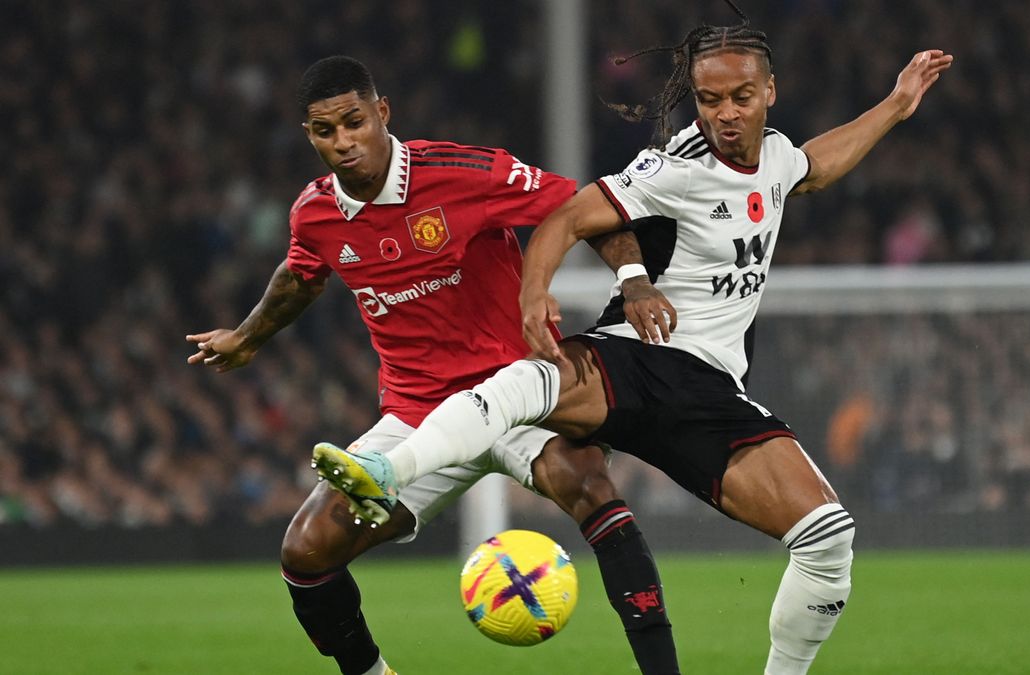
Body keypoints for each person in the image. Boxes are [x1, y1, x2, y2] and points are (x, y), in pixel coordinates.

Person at [315, 3, 953, 671]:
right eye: (709, 100)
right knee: (530, 379)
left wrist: (895, 106)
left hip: (708, 391)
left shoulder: (775, 159)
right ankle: (391, 470)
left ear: (770, 92)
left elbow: (815, 165)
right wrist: (549, 293)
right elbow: (567, 214)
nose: (724, 114)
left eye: (740, 97)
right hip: (638, 358)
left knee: (827, 536)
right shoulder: (677, 164)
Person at [186, 56, 683, 675]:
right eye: (324, 131)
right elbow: (299, 278)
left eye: (353, 122)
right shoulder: (313, 214)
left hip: (520, 391)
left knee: (591, 487)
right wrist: (248, 337)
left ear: (382, 113)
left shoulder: (463, 172)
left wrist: (634, 279)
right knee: (306, 551)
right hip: (416, 419)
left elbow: (584, 208)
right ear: (308, 135)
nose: (343, 142)